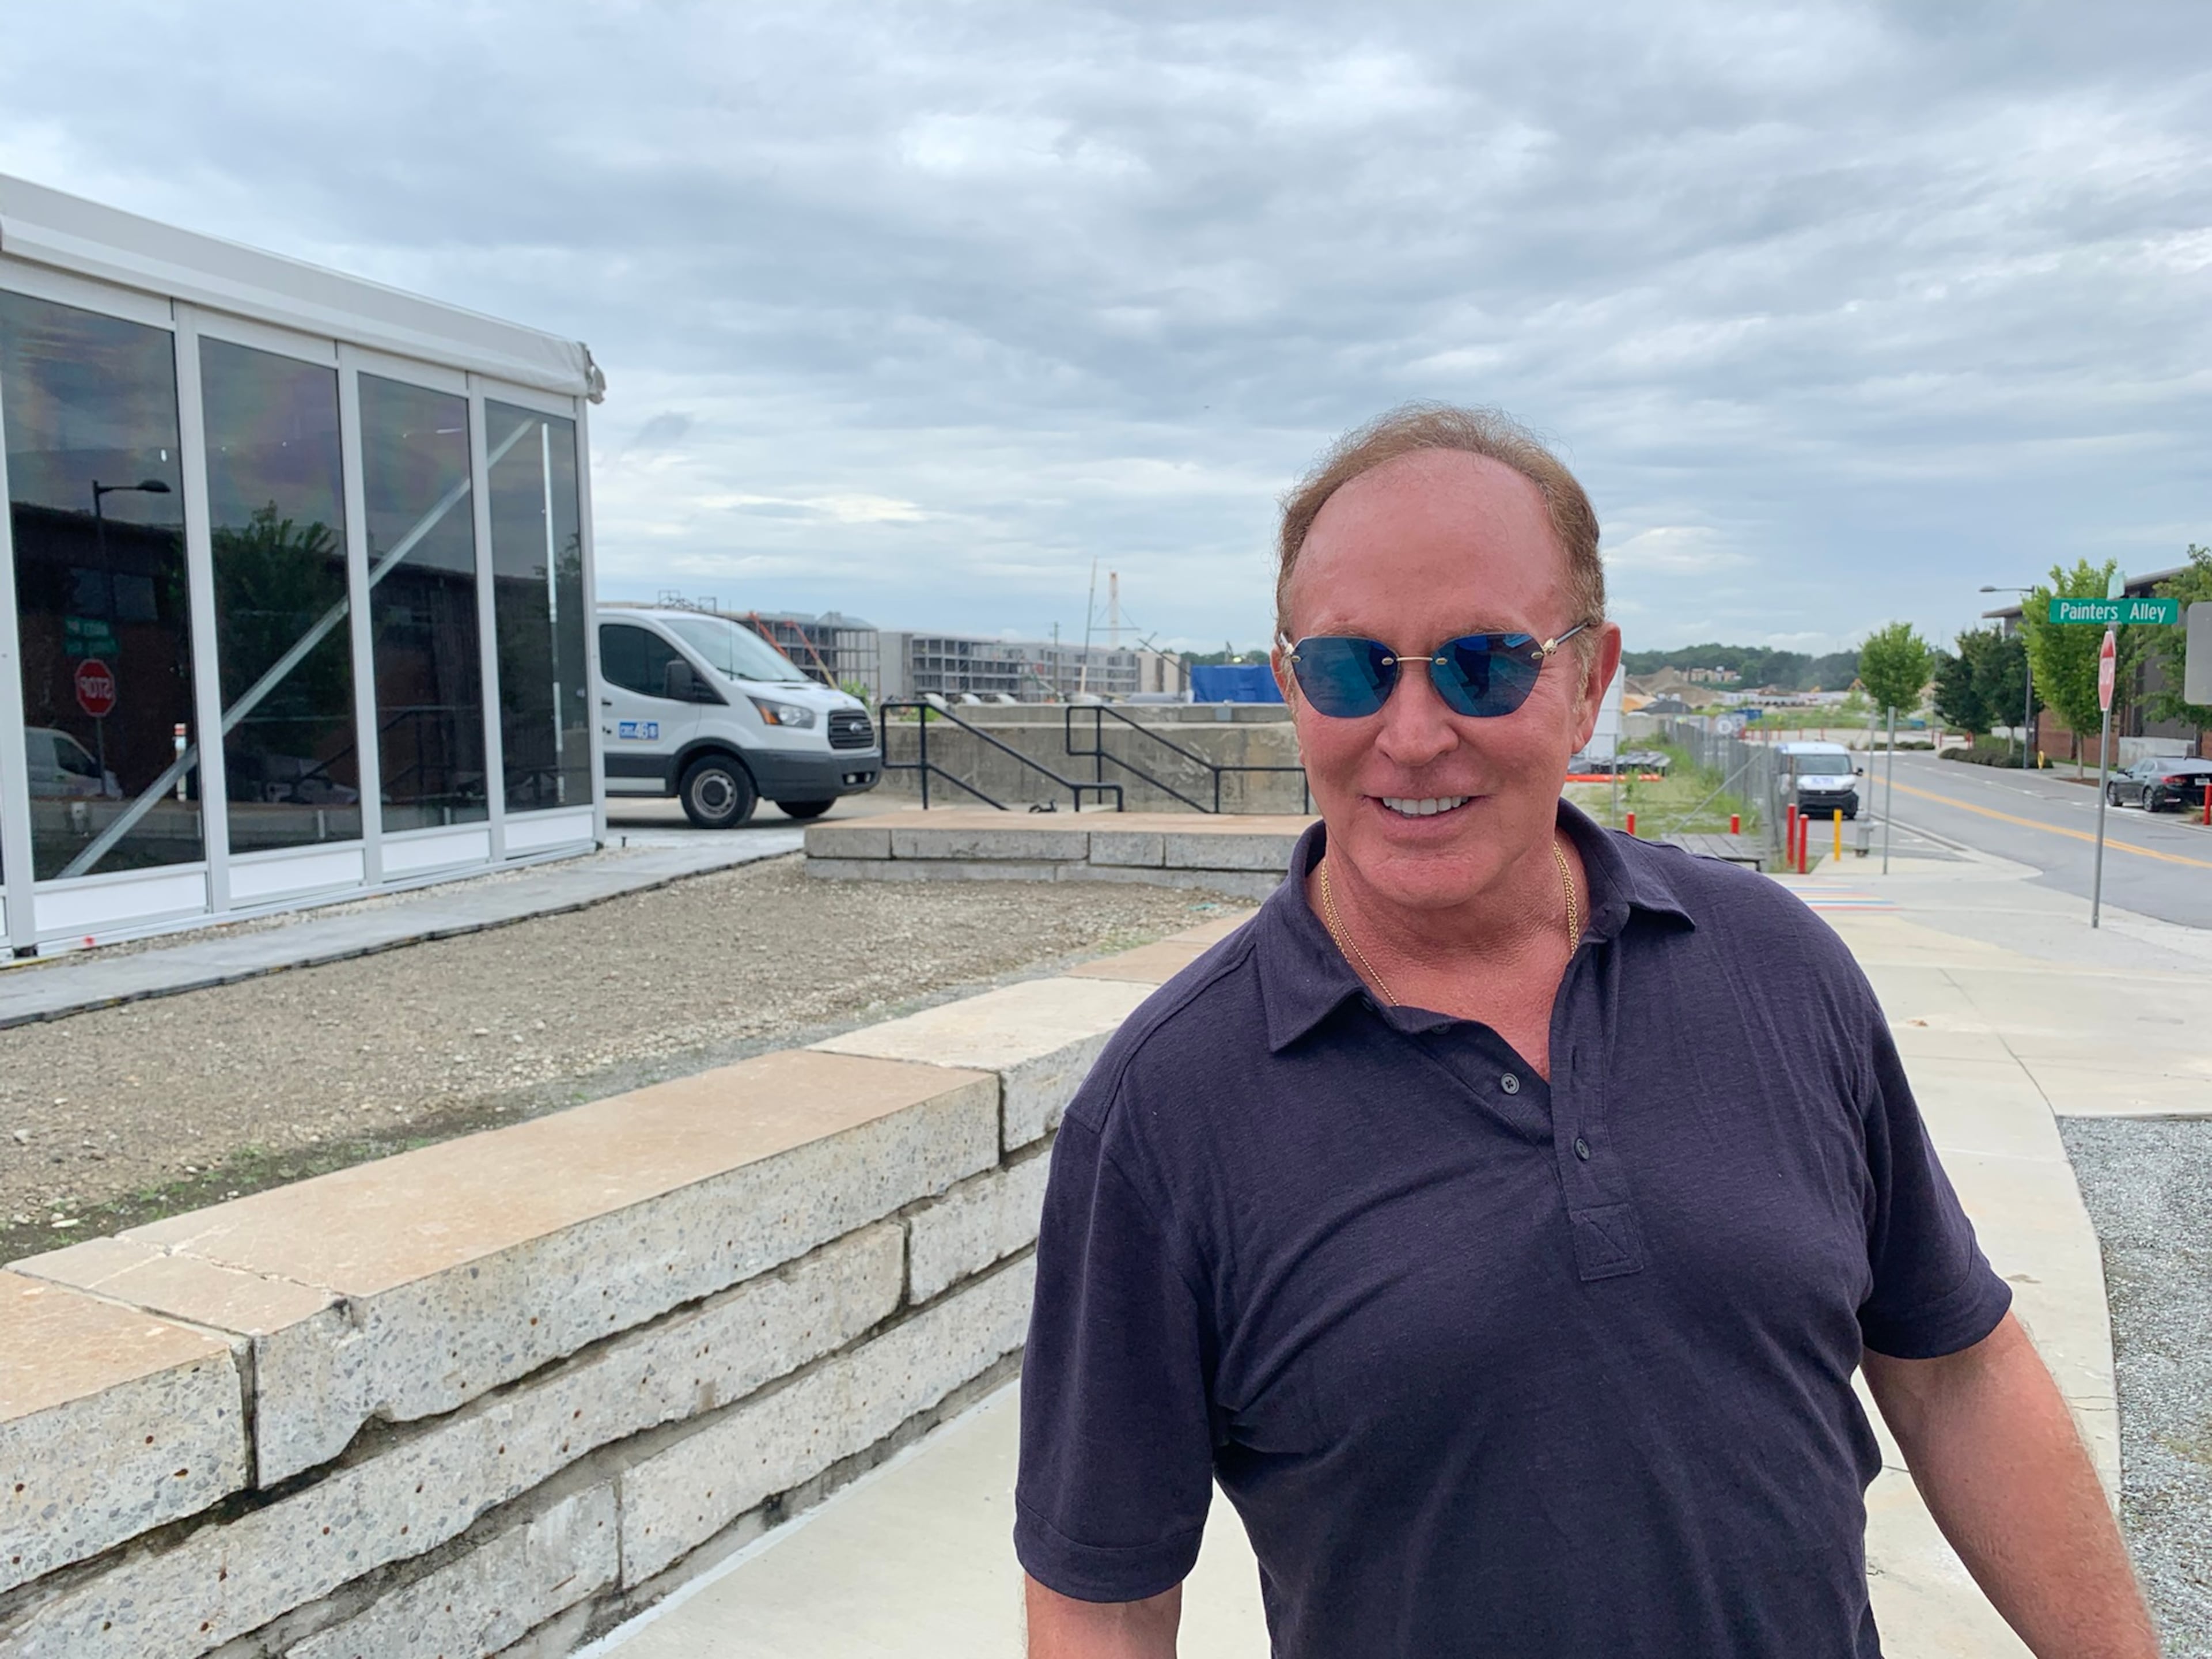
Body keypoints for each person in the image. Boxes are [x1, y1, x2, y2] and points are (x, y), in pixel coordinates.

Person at [1013, 405, 2157, 1658]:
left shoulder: (1778, 968)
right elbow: (1105, 1597)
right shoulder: (1168, 1109)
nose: (1412, 734)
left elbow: (1954, 1372)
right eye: (1351, 667)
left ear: (1591, 681)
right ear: (1292, 685)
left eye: (1484, 664)